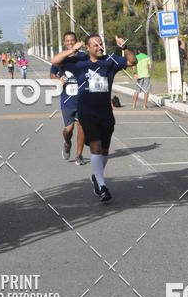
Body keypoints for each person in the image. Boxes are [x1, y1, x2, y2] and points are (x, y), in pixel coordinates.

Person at [51, 34, 136, 203]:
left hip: (105, 113)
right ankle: (102, 186)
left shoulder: (110, 61)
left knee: (104, 150)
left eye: (101, 44)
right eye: (95, 45)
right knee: (95, 146)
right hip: (87, 112)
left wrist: (125, 48)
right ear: (87, 49)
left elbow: (132, 62)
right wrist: (72, 50)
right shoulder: (79, 64)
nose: (99, 47)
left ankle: (96, 178)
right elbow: (54, 61)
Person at [50, 31, 87, 165]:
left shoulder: (83, 56)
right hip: (67, 99)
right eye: (68, 41)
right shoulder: (61, 58)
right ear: (64, 43)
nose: (70, 42)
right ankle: (67, 142)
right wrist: (58, 79)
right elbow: (52, 74)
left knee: (81, 127)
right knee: (68, 130)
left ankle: (79, 155)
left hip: (82, 98)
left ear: (76, 41)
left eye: (72, 40)